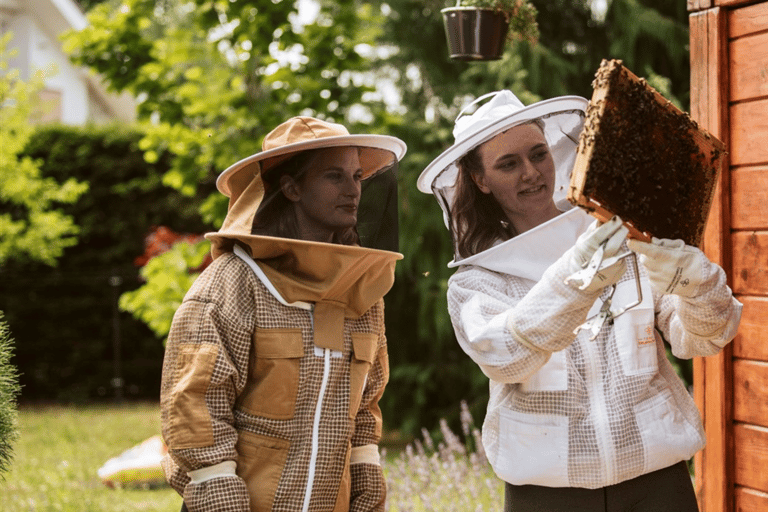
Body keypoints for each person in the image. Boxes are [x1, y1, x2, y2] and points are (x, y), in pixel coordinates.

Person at [417, 90, 742, 512]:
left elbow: (700, 339)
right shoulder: (477, 282)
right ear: (480, 180)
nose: (531, 172)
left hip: (657, 483)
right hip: (546, 493)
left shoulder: (616, 233)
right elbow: (506, 356)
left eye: (539, 154)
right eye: (508, 163)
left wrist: (695, 282)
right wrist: (577, 280)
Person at [160, 116, 407, 512]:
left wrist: (367, 483)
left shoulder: (361, 290)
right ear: (292, 187)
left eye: (357, 176)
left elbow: (363, 408)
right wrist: (222, 500)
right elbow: (196, 407)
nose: (353, 190)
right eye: (334, 176)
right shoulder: (233, 284)